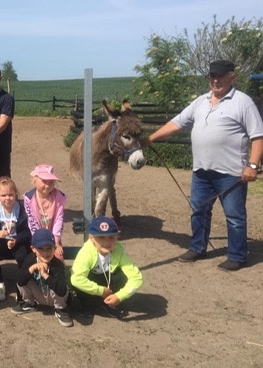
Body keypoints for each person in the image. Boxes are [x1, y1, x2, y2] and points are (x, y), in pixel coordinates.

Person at [144, 60, 263, 271]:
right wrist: (150, 138)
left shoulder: (243, 102)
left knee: (234, 216)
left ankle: (237, 255)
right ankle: (198, 247)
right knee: (198, 210)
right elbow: (177, 123)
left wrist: (252, 165)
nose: (215, 80)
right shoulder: (201, 101)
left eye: (220, 76)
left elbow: (257, 136)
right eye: (212, 76)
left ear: (231, 77)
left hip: (231, 172)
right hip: (201, 171)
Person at [71, 216, 143, 319]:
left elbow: (137, 278)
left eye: (111, 237)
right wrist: (100, 291)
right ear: (91, 238)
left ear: (117, 237)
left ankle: (109, 303)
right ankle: (86, 304)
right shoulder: (86, 253)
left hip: (108, 282)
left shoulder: (119, 251)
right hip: (93, 282)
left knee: (122, 275)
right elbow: (76, 279)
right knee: (76, 279)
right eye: (101, 237)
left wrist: (120, 296)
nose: (107, 242)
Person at [13, 228, 72, 327]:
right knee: (22, 277)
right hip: (40, 295)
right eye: (41, 248)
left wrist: (45, 275)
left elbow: (62, 290)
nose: (45, 253)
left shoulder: (57, 265)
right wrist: (32, 268)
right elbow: (19, 280)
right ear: (33, 249)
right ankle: (30, 304)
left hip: (55, 298)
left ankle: (61, 310)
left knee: (58, 285)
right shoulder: (30, 259)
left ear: (54, 248)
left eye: (49, 248)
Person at [0, 176, 30, 302]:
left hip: (18, 241)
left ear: (16, 194)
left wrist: (17, 239)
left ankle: (22, 284)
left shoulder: (22, 210)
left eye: (10, 195)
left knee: (22, 256)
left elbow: (27, 232)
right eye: (3, 195)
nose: (7, 198)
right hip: (1, 242)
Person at [23, 164, 67, 260]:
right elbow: (32, 222)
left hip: (54, 236)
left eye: (51, 182)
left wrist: (56, 242)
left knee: (58, 256)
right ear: (35, 181)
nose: (47, 185)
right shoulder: (29, 198)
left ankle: (59, 274)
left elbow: (59, 220)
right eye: (44, 181)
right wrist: (40, 241)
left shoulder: (59, 197)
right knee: (37, 257)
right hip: (35, 236)